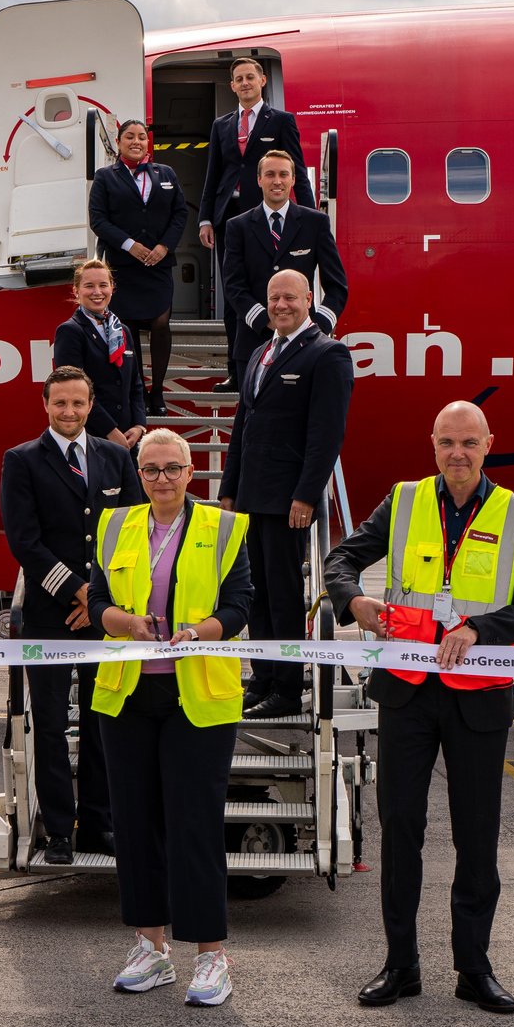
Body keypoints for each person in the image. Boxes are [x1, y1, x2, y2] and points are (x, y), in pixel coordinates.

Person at [324, 401, 514, 1015]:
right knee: (401, 832)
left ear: (488, 446)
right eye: (448, 442)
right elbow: (341, 560)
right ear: (432, 445)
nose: (458, 453)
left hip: (479, 697)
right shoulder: (402, 502)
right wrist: (354, 602)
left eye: (469, 443)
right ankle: (400, 965)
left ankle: (473, 969)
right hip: (405, 691)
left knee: (476, 838)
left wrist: (482, 629)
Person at [88, 428, 253, 1007]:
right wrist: (127, 623)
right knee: (134, 824)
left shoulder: (224, 528)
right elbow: (97, 601)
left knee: (194, 825)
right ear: (140, 474)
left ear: (191, 473)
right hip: (129, 694)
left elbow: (239, 606)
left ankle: (211, 956)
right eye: (151, 469)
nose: (161, 479)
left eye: (172, 468)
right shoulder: (114, 526)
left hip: (198, 695)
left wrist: (197, 633)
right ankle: (151, 947)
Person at [0, 366, 142, 865]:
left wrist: (98, 603)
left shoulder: (116, 458)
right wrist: (78, 594)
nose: (70, 412)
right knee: (52, 724)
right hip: (48, 617)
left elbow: (133, 532)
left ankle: (98, 824)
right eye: (60, 404)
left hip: (103, 618)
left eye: (78, 404)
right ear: (45, 404)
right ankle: (59, 829)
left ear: (90, 403)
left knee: (105, 719)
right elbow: (25, 541)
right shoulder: (21, 461)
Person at [219, 270, 352, 718]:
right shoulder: (260, 352)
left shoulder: (327, 354)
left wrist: (307, 495)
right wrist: (229, 491)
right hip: (252, 496)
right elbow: (243, 428)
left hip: (288, 501)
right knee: (254, 592)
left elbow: (325, 435)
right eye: (274, 297)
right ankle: (262, 677)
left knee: (284, 596)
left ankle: (288, 689)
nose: (280, 305)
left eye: (289, 298)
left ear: (309, 300)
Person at [198, 57, 314, 393]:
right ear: (232, 86)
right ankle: (237, 371)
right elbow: (213, 175)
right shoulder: (222, 125)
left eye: (251, 77)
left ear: (262, 80)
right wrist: (206, 217)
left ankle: (281, 359)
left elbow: (297, 170)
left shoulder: (280, 121)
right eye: (239, 79)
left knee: (272, 291)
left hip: (268, 216)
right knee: (234, 294)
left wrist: (306, 216)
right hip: (228, 217)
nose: (245, 83)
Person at [221, 149, 348, 389]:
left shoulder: (315, 223)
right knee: (252, 419)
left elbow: (337, 286)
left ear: (293, 179)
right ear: (259, 180)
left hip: (305, 346)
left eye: (283, 174)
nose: (277, 181)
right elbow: (233, 285)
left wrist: (317, 326)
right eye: (270, 174)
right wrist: (265, 321)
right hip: (253, 342)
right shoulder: (237, 227)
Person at [88, 120, 188, 415]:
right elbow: (99, 220)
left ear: (148, 142)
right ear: (118, 143)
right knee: (128, 329)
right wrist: (130, 245)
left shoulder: (166, 173)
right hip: (124, 264)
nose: (136, 141)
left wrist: (164, 247)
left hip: (158, 264)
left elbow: (180, 213)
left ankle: (157, 391)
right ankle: (137, 390)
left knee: (160, 323)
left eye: (142, 137)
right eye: (129, 137)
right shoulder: (106, 177)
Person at [52, 260, 147, 448]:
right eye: (89, 286)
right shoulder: (70, 331)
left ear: (112, 288)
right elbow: (73, 390)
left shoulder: (122, 331)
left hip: (128, 438)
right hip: (92, 437)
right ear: (76, 291)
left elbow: (135, 383)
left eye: (103, 285)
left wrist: (139, 426)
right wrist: (110, 431)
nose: (97, 292)